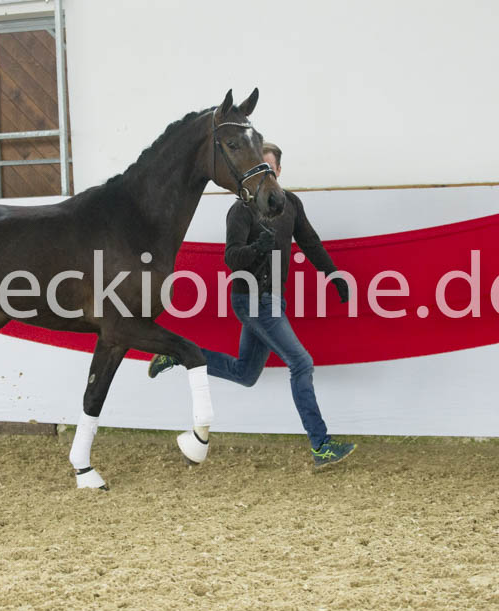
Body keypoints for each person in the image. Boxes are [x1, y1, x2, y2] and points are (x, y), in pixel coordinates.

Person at [149, 142, 356, 469]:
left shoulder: (291, 204)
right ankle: (321, 445)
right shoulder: (242, 209)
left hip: (274, 300)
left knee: (245, 373)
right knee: (301, 363)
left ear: (278, 171)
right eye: (258, 168)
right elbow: (232, 258)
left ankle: (179, 353)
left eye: (269, 169)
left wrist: (334, 275)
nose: (264, 174)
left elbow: (310, 243)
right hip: (252, 299)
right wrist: (256, 249)